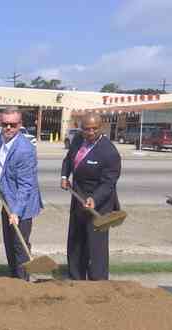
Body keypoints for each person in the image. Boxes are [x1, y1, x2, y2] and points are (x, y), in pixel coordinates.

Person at [61, 113, 121, 280]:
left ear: (101, 128)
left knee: (96, 246)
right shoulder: (78, 140)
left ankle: (98, 282)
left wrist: (95, 198)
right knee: (76, 240)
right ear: (82, 129)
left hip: (100, 204)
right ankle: (76, 277)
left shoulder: (109, 152)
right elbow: (68, 160)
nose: (90, 132)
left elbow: (109, 183)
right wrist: (64, 176)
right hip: (78, 198)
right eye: (87, 129)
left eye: (94, 129)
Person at [0, 108, 43, 281]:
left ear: (20, 125)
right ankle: (13, 280)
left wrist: (16, 212)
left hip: (22, 205)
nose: (8, 128)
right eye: (5, 124)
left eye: (13, 125)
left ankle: (22, 283)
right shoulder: (1, 138)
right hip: (7, 199)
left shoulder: (25, 150)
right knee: (9, 244)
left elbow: (26, 185)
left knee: (20, 246)